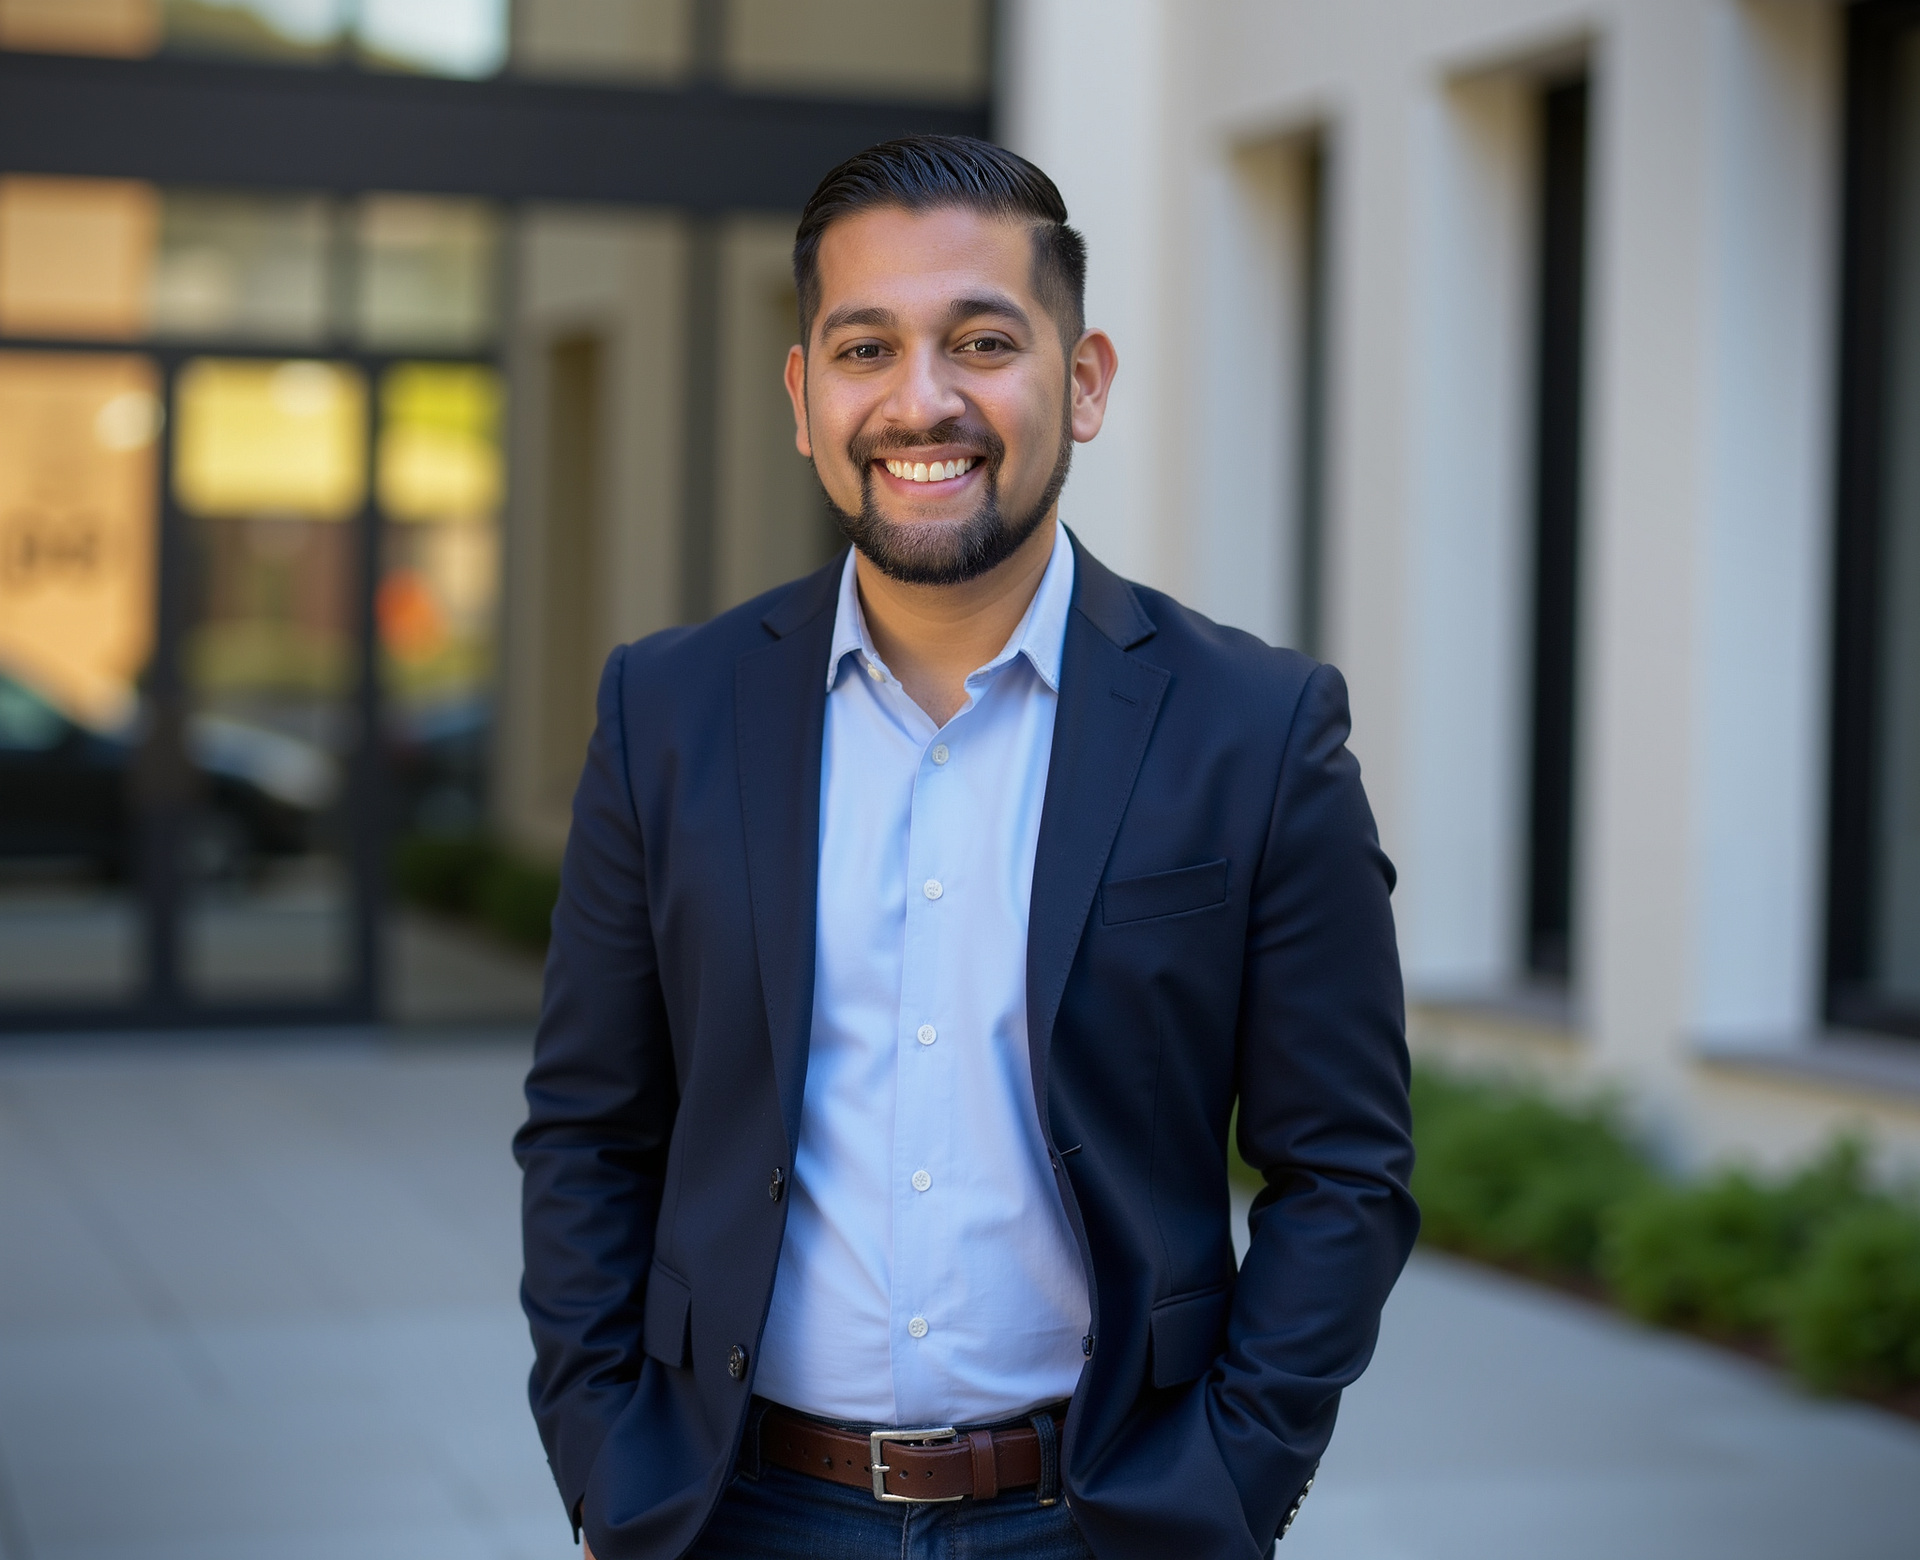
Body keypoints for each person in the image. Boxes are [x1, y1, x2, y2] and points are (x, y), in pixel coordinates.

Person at [516, 134, 1418, 1560]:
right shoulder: (667, 712)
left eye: (982, 340)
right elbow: (589, 1131)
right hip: (738, 1514)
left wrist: (1227, 1492)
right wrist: (610, 1472)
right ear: (804, 398)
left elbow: (1346, 1170)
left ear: (1087, 378)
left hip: (1100, 1521)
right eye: (865, 347)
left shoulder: (1258, 730)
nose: (921, 399)